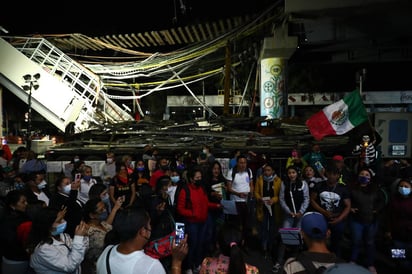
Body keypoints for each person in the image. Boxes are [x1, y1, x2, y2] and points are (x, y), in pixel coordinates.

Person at [96, 207, 188, 274]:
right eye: (149, 224)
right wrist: (176, 262)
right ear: (143, 231)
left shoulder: (107, 251)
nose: (151, 227)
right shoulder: (150, 266)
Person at [176, 166, 222, 272]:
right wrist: (192, 213)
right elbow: (180, 209)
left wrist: (216, 206)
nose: (199, 179)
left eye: (200, 177)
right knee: (192, 245)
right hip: (191, 223)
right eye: (197, 177)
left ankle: (197, 264)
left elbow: (205, 203)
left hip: (203, 222)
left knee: (201, 244)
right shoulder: (185, 190)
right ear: (191, 179)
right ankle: (188, 267)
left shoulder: (201, 189)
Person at [27, 206, 89, 274]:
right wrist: (78, 238)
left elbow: (80, 253)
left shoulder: (63, 236)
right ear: (48, 225)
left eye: (63, 218)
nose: (64, 222)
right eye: (59, 221)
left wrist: (84, 236)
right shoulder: (44, 249)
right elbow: (70, 266)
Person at [348, 168, 386, 274]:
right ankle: (353, 261)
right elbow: (346, 200)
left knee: (370, 243)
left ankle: (370, 264)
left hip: (371, 221)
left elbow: (382, 201)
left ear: (370, 178)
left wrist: (376, 210)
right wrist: (350, 208)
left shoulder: (375, 189)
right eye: (362, 174)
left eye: (367, 175)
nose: (364, 176)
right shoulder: (352, 188)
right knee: (356, 241)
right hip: (356, 220)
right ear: (358, 176)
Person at [273, 165, 310, 273]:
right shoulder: (284, 184)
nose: (291, 175)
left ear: (297, 173)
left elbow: (306, 199)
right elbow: (281, 199)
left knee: (298, 238)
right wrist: (289, 212)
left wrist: (301, 212)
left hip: (299, 215)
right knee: (284, 238)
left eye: (293, 172)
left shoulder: (303, 184)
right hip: (288, 215)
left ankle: (296, 261)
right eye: (289, 173)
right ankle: (279, 262)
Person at [310, 164, 351, 257]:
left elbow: (348, 206)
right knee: (319, 241)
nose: (332, 176)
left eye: (334, 174)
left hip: (337, 218)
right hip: (321, 218)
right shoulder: (319, 185)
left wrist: (339, 219)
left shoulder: (342, 188)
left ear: (338, 175)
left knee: (336, 243)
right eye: (330, 173)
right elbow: (312, 200)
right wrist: (323, 211)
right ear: (326, 173)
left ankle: (335, 261)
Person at [82, 196, 123, 274]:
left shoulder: (100, 223)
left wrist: (115, 208)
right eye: (101, 210)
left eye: (104, 207)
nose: (104, 211)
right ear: (92, 215)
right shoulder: (88, 231)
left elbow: (107, 225)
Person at [254, 162, 282, 258]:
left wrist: (273, 200)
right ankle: (264, 247)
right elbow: (256, 192)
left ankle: (271, 247)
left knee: (273, 228)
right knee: (263, 227)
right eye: (265, 170)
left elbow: (280, 196)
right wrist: (259, 198)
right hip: (263, 207)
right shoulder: (260, 179)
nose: (266, 172)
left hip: (274, 208)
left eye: (269, 170)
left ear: (273, 171)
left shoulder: (278, 180)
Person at [225, 154, 254, 247]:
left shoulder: (249, 171)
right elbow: (228, 188)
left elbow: (251, 184)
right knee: (235, 224)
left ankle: (244, 243)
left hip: (246, 202)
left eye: (245, 163)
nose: (243, 165)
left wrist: (251, 192)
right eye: (241, 163)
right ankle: (234, 244)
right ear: (237, 163)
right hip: (235, 202)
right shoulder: (231, 172)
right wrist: (238, 194)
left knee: (246, 224)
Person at [0, 190, 31, 274]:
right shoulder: (8, 222)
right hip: (15, 260)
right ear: (12, 205)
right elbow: (11, 243)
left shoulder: (23, 216)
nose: (26, 204)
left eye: (26, 201)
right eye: (23, 202)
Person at [385, 178, 412, 271]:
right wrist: (388, 230)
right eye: (401, 186)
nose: (403, 188)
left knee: (409, 256)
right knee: (398, 257)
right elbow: (388, 216)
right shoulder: (393, 200)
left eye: (406, 186)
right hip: (397, 234)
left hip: (410, 235)